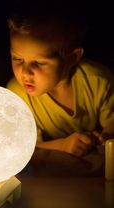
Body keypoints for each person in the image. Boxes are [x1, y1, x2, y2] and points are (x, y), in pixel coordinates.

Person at [6, 1, 114, 157]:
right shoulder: (17, 95)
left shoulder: (98, 81)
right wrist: (63, 145)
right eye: (18, 59)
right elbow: (26, 146)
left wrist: (105, 138)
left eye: (39, 63)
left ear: (72, 58)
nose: (25, 73)